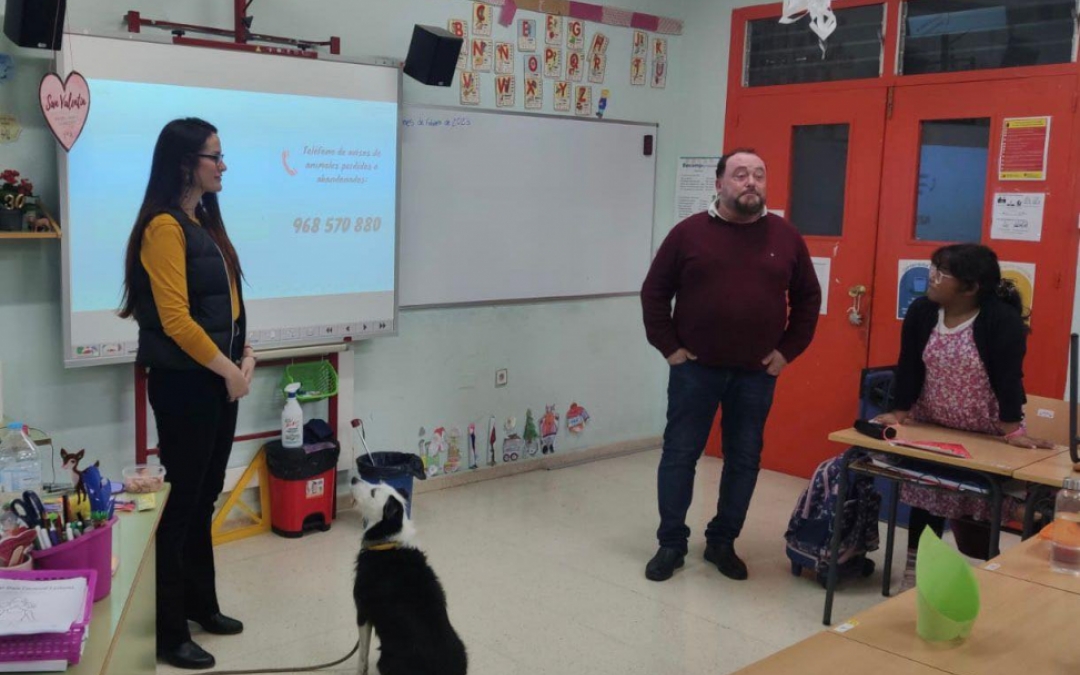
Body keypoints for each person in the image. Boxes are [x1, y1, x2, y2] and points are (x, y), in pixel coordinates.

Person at [640, 149, 821, 582]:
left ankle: (722, 541)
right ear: (719, 183)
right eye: (740, 174)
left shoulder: (785, 237)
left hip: (755, 374)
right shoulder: (688, 234)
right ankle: (671, 543)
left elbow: (809, 298)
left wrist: (787, 352)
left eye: (759, 174)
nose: (751, 182)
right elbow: (654, 292)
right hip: (694, 370)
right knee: (680, 454)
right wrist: (670, 348)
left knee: (744, 459)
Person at [119, 118, 255, 669]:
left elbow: (227, 306)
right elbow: (176, 320)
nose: (223, 166)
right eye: (213, 156)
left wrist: (245, 355)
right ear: (184, 163)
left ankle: (202, 605)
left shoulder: (204, 221)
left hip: (218, 379)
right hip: (186, 384)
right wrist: (229, 371)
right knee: (180, 506)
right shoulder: (163, 227)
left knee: (204, 499)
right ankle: (168, 631)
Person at [872, 244, 1052, 591]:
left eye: (942, 273)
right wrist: (899, 411)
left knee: (986, 503)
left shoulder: (1001, 320)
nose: (932, 277)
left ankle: (995, 578)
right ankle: (916, 570)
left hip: (985, 430)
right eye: (932, 268)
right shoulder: (923, 312)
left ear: (970, 287)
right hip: (933, 423)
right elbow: (909, 364)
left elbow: (1009, 378)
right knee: (927, 495)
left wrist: (1013, 430)